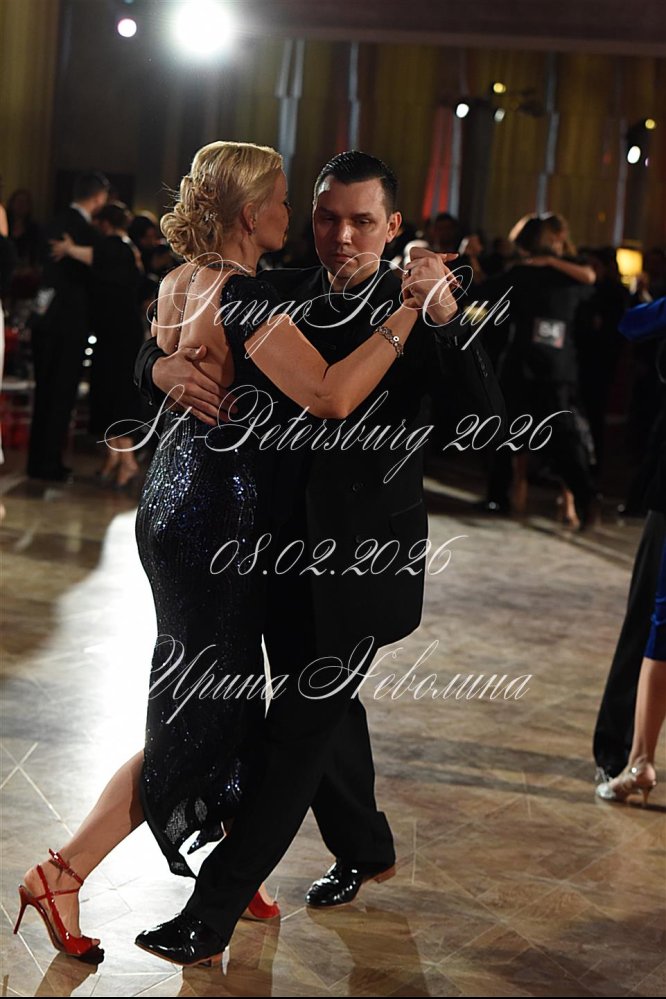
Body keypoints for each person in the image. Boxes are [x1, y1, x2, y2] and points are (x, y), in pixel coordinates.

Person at [14, 142, 456, 965]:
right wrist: (404, 315)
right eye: (289, 202)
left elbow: (156, 345)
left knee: (247, 702)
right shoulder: (250, 294)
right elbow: (329, 395)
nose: (300, 219)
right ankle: (64, 869)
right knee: (207, 713)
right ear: (253, 214)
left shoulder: (181, 278)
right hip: (219, 519)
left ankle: (258, 862)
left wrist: (159, 366)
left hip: (175, 501)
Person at [130, 149, 505, 966]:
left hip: (363, 566)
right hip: (272, 551)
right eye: (328, 217)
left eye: (362, 221)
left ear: (393, 225)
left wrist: (443, 314)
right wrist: (159, 368)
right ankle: (366, 845)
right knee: (327, 711)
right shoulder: (281, 285)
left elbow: (488, 411)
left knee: (296, 730)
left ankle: (211, 911)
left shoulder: (421, 301)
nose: (341, 236)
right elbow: (177, 333)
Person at [51, 201, 146, 488]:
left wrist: (69, 249)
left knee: (117, 393)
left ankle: (127, 461)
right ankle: (114, 458)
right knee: (108, 392)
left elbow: (98, 257)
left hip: (119, 335)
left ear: (105, 223)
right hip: (116, 333)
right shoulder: (127, 248)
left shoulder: (118, 247)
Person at [27, 171, 109, 481]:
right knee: (61, 394)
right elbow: (101, 268)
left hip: (44, 316)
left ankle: (37, 461)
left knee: (43, 392)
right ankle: (49, 463)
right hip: (69, 322)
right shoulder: (86, 231)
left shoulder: (53, 221)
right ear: (98, 198)